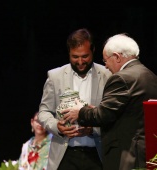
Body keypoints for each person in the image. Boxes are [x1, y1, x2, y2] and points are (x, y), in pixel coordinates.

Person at [62, 33, 157, 170]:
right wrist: (96, 110)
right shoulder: (150, 75)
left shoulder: (121, 78)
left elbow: (102, 115)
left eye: (106, 60)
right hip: (146, 152)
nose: (105, 66)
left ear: (117, 57)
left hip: (128, 155)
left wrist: (80, 112)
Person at [38, 28, 111, 170]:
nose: (80, 61)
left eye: (85, 56)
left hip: (97, 155)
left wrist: (94, 129)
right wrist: (57, 127)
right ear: (69, 53)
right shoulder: (55, 76)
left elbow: (113, 115)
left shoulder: (108, 75)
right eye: (75, 57)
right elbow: (44, 111)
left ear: (93, 51)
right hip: (65, 155)